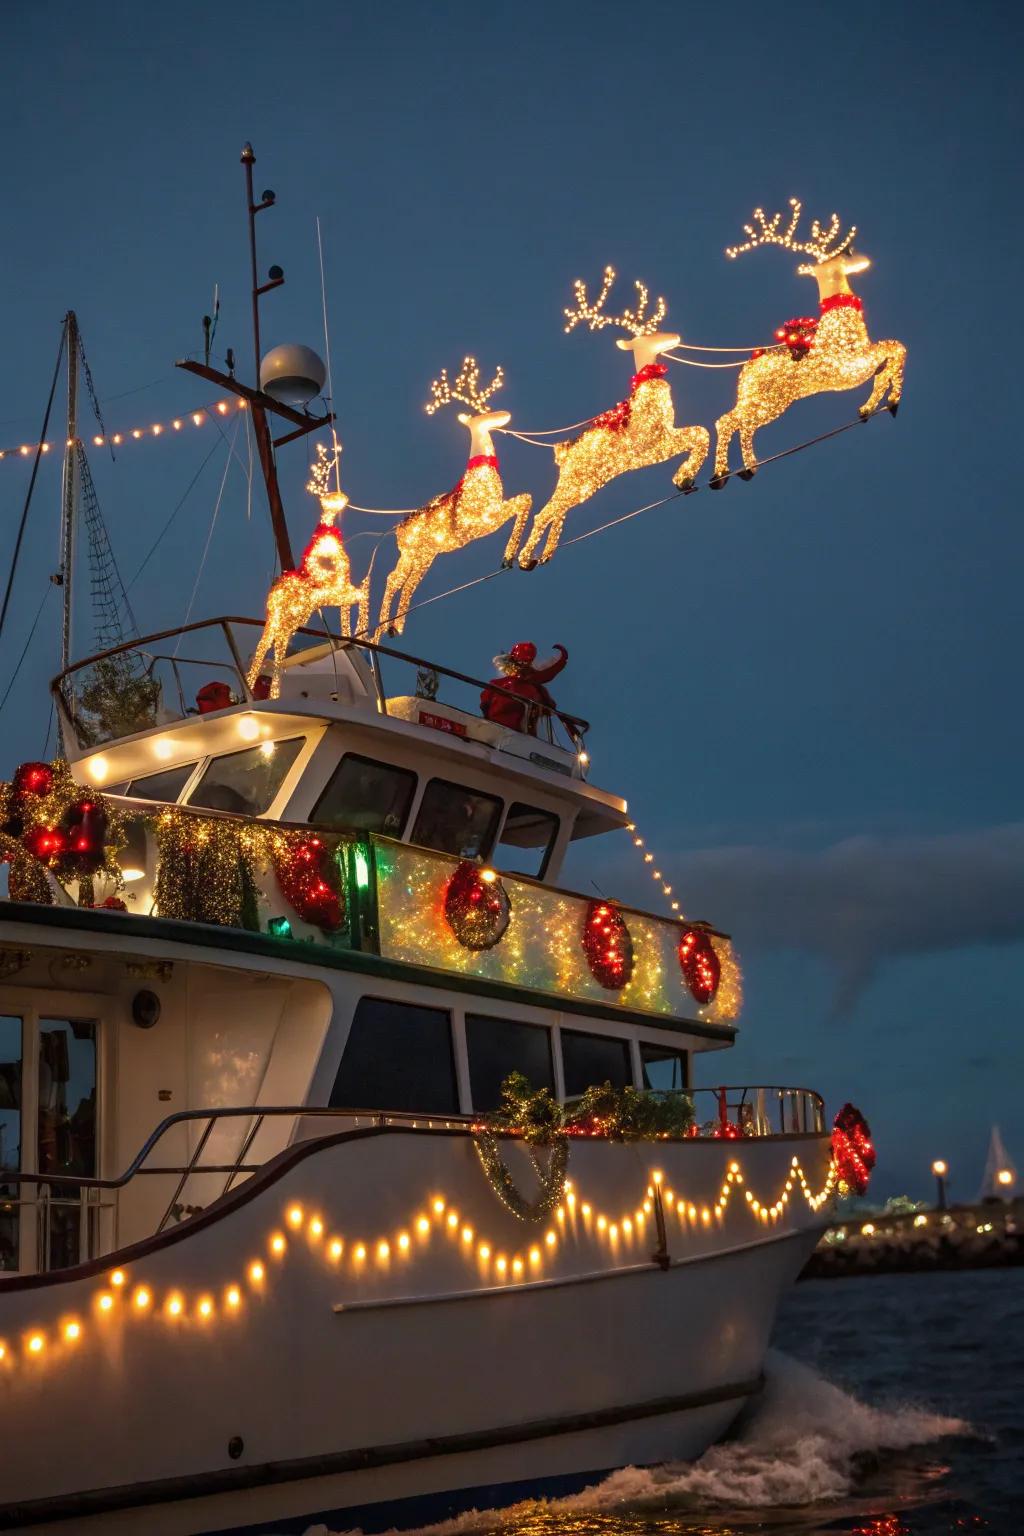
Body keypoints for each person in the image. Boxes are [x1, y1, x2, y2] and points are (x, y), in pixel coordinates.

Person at [480, 642, 568, 736]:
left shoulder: (535, 689)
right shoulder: (497, 684)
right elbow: (485, 703)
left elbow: (548, 708)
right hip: (499, 730)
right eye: (520, 662)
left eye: (526, 662)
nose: (522, 666)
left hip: (520, 735)